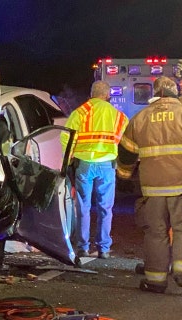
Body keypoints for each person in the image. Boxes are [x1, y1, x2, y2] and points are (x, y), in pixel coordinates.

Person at [117, 76, 182, 293]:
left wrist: (123, 175)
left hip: (153, 189)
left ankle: (156, 281)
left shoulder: (140, 118)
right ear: (174, 92)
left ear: (155, 92)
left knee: (155, 233)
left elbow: (126, 152)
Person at [61, 80, 128, 259]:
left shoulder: (80, 112)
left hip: (85, 164)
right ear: (107, 96)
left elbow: (65, 137)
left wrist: (68, 160)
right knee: (105, 207)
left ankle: (83, 247)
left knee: (83, 205)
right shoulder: (119, 116)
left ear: (90, 94)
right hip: (107, 165)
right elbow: (123, 141)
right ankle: (104, 249)